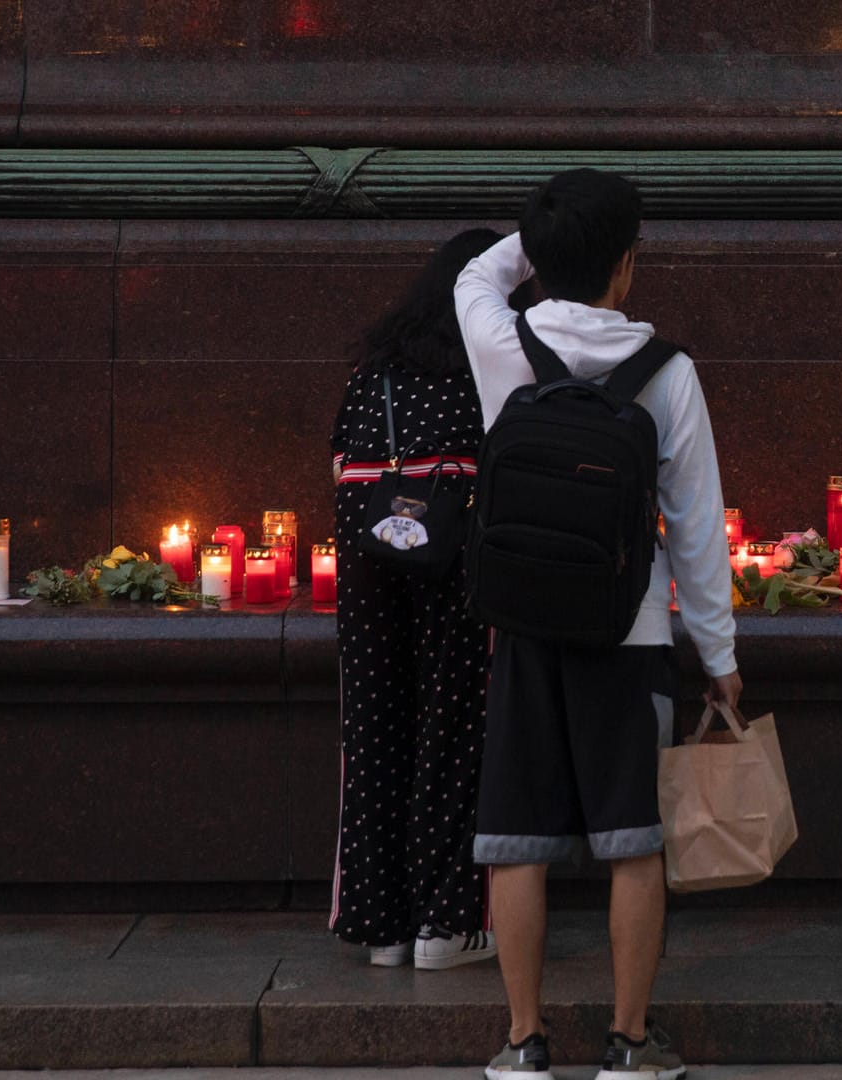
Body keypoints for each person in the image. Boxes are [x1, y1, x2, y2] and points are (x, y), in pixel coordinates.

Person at [456, 169, 740, 1079]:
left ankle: (522, 1042)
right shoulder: (668, 373)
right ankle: (627, 1044)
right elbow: (695, 522)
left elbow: (474, 279)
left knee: (516, 844)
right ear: (627, 267)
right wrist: (720, 653)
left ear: (541, 263)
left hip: (524, 627)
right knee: (633, 843)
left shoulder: (503, 343)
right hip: (631, 638)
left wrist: (534, 245)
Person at [326, 228, 510, 971]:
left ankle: (380, 926)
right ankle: (449, 921)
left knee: (373, 727)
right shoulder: (490, 365)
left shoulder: (375, 374)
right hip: (460, 555)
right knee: (458, 728)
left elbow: (340, 460)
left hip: (371, 551)